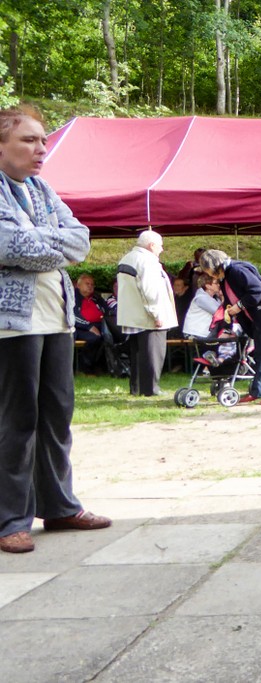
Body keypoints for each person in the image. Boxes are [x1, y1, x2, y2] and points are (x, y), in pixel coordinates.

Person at [0, 105, 111, 554]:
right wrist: (54, 244)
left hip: (56, 319)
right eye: (29, 140)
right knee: (17, 421)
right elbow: (7, 243)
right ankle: (11, 519)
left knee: (56, 415)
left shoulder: (42, 189)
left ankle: (59, 506)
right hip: (11, 325)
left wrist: (43, 243)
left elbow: (80, 240)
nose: (41, 149)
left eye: (43, 140)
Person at [200, 249, 261, 404]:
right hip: (258, 317)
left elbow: (257, 290)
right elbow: (230, 300)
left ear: (213, 266)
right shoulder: (225, 276)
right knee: (260, 354)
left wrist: (239, 306)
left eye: (207, 270)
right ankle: (258, 392)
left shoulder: (237, 270)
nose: (208, 274)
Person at [116, 229, 177, 396]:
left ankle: (136, 388)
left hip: (133, 315)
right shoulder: (147, 261)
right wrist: (156, 314)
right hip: (147, 316)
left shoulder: (127, 258)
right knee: (153, 354)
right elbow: (150, 291)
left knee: (137, 354)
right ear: (151, 245)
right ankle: (150, 389)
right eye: (160, 246)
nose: (162, 249)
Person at [73, 273, 114, 375]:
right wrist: (89, 326)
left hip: (100, 325)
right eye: (87, 284)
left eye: (92, 284)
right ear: (78, 285)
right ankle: (85, 368)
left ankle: (106, 368)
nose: (90, 286)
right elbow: (73, 316)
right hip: (81, 328)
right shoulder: (73, 297)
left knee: (111, 337)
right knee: (94, 338)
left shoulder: (96, 297)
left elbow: (107, 311)